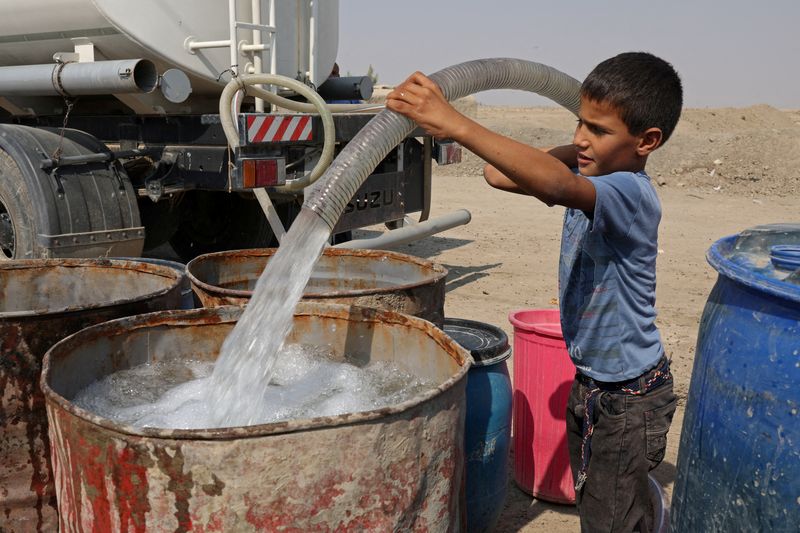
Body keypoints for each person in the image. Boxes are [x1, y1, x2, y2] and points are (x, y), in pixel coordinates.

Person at [386, 52, 682, 533]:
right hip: (594, 385)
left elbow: (553, 183)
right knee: (604, 505)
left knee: (611, 519)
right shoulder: (591, 174)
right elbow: (499, 175)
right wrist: (585, 146)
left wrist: (456, 123)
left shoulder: (630, 193)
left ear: (647, 142)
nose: (582, 138)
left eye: (599, 131)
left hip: (629, 398)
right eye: (579, 124)